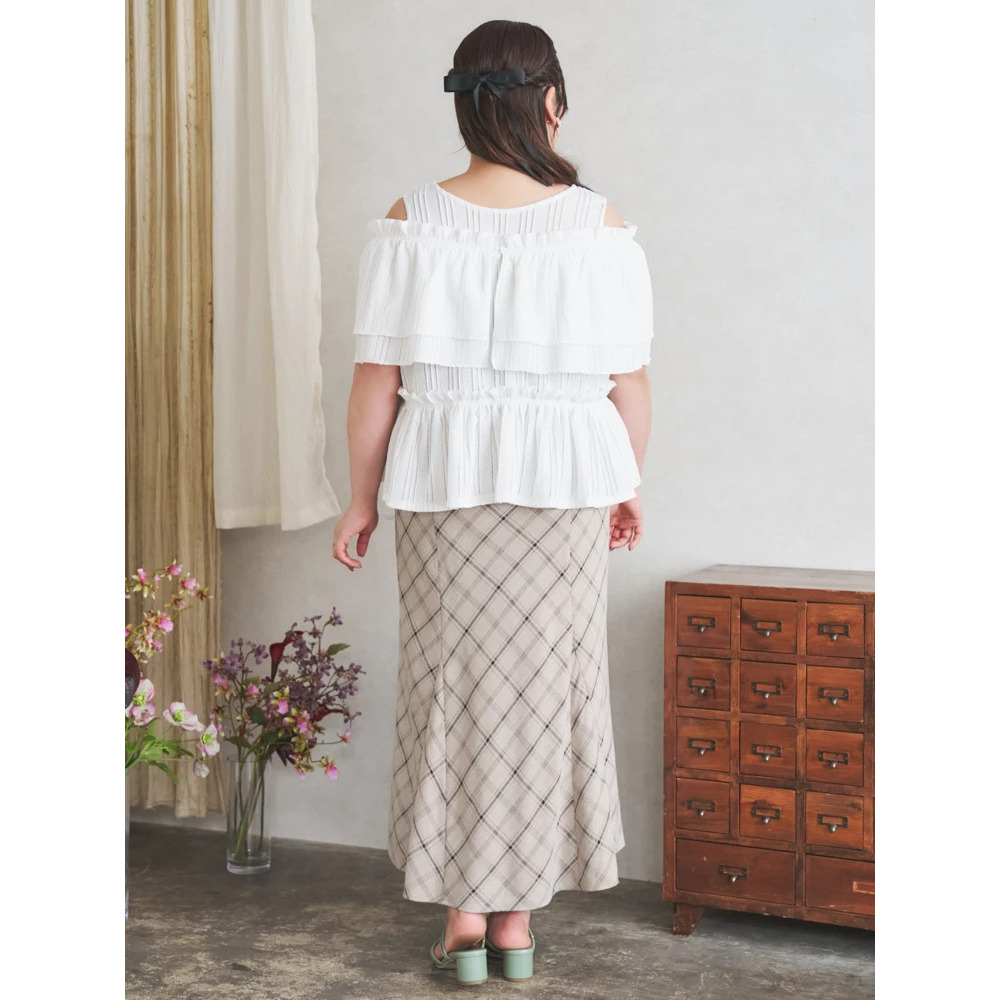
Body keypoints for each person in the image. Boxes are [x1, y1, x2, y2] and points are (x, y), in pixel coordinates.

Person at [332, 19, 653, 986]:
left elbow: (376, 383)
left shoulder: (411, 219)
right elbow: (629, 384)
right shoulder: (599, 225)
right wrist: (623, 484)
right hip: (567, 492)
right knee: (546, 695)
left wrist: (360, 501)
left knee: (454, 688)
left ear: (465, 104)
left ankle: (465, 920)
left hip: (442, 489)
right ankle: (516, 928)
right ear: (550, 101)